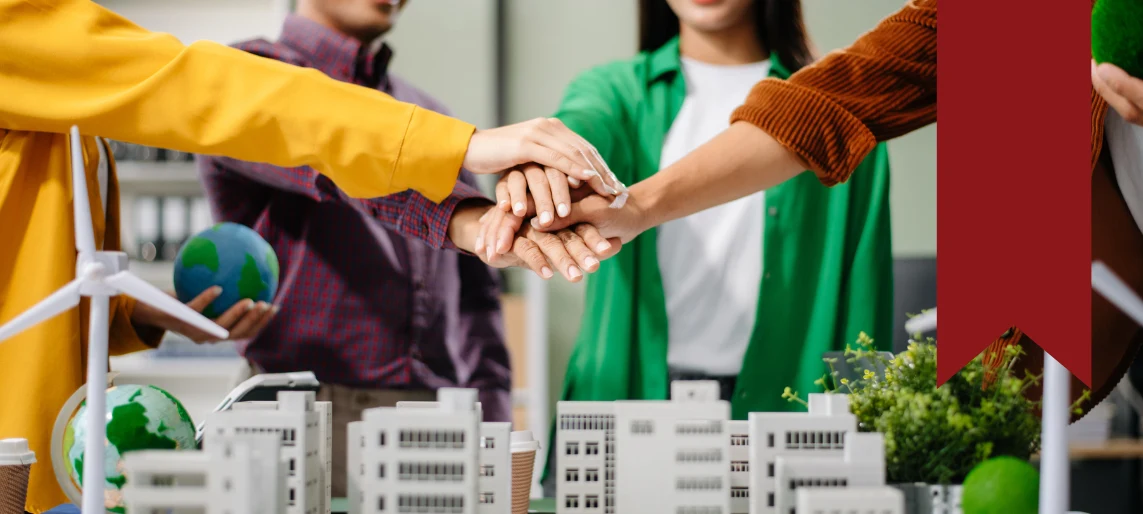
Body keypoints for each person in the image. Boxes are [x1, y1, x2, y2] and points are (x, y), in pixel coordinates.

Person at [0, 0, 621, 510]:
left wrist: (140, 316)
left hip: (434, 408)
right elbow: (294, 138)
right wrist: (462, 191)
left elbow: (33, 260)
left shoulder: (424, 109)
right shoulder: (258, 72)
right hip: (303, 408)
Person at [192, 0, 549, 497]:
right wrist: (470, 220)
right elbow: (339, 161)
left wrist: (494, 428)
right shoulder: (248, 78)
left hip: (435, 420)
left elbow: (476, 298)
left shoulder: (428, 114)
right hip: (306, 416)